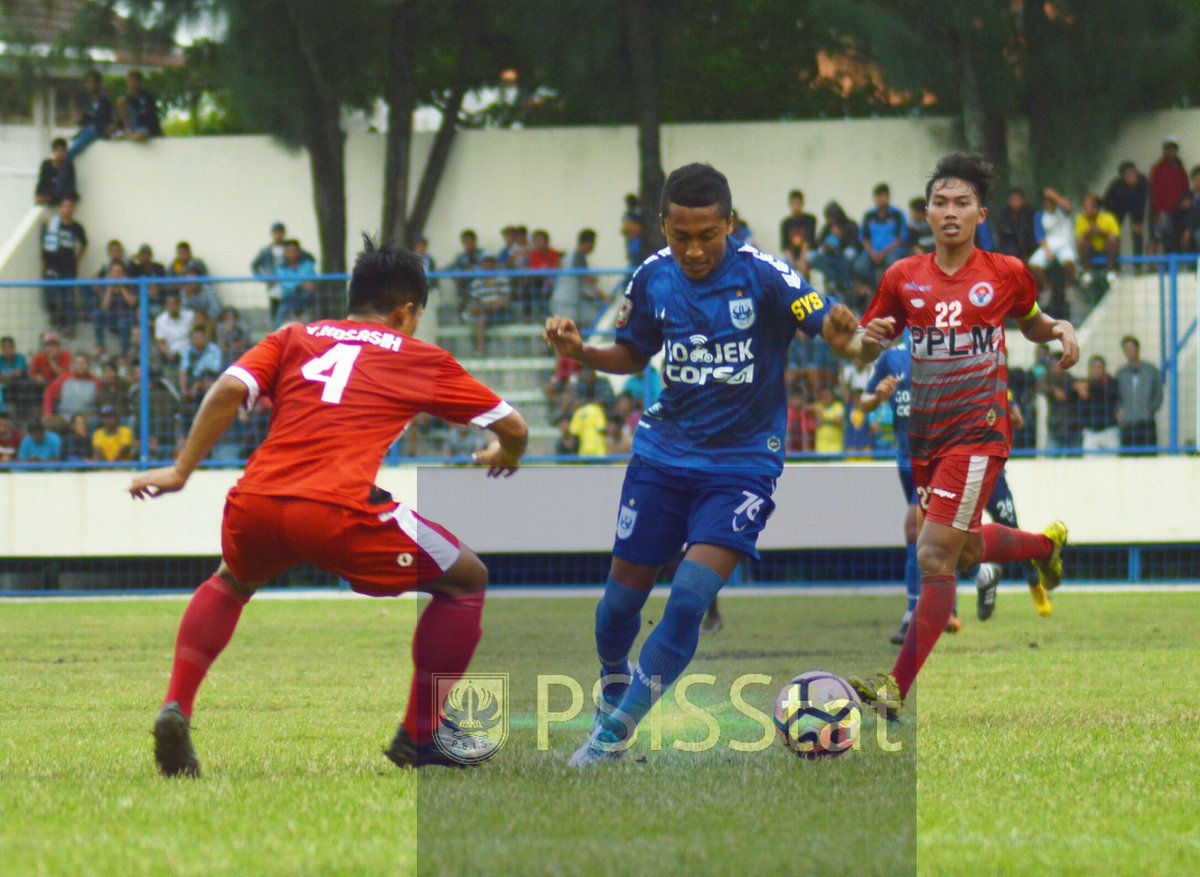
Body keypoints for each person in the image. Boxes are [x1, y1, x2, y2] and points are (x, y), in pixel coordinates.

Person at [131, 237, 529, 777]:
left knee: (230, 581)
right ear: (405, 312)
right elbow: (514, 426)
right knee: (465, 579)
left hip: (257, 504)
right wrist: (503, 453)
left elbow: (227, 389)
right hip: (338, 512)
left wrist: (181, 471)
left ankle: (177, 703)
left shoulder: (294, 337)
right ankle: (420, 735)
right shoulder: (417, 355)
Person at [543, 162, 883, 766]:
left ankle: (611, 737)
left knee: (689, 599)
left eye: (708, 235)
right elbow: (631, 351)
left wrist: (850, 339)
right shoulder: (651, 277)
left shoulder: (767, 276)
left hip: (743, 466)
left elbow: (842, 336)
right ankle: (613, 680)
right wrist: (581, 352)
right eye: (682, 236)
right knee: (618, 605)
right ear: (664, 229)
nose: (695, 250)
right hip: (661, 457)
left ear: (731, 224)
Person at [850, 152, 1079, 718]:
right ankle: (1045, 546)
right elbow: (862, 344)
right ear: (925, 213)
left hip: (980, 430)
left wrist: (1059, 329)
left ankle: (895, 687)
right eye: (940, 203)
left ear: (980, 212)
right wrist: (868, 337)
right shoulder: (902, 278)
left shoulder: (1005, 273)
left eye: (962, 203)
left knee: (933, 554)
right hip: (926, 439)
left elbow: (1031, 322)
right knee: (969, 545)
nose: (950, 212)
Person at [41, 198, 88, 334]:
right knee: (51, 296)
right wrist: (43, 266)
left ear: (74, 209)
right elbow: (45, 246)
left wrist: (77, 259)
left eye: (69, 206)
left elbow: (84, 244)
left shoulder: (77, 227)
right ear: (60, 208)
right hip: (52, 266)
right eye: (64, 206)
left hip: (69, 268)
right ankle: (56, 319)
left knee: (68, 298)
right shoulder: (51, 225)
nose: (66, 209)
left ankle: (69, 326)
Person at [1028, 188, 1077, 312]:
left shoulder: (1062, 211)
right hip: (1049, 244)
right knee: (1033, 264)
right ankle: (1046, 288)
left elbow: (1069, 207)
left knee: (1069, 261)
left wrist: (1055, 195)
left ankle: (1070, 286)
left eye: (1051, 201)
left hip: (1065, 243)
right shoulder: (1040, 215)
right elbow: (1040, 235)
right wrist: (1047, 250)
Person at [1115, 335, 1162, 452]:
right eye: (1126, 349)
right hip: (1128, 424)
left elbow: (1158, 394)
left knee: (1149, 457)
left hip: (1146, 423)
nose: (1130, 352)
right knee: (1128, 460)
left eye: (1132, 348)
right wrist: (1119, 412)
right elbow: (1116, 396)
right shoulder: (1120, 373)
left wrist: (1150, 410)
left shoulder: (1151, 370)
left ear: (1138, 349)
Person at [1148, 137, 1189, 255]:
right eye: (1169, 149)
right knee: (1156, 237)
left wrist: (1185, 201)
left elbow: (1185, 188)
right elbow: (1154, 191)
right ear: (1164, 151)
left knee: (1173, 240)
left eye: (1174, 149)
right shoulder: (1158, 168)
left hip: (1177, 211)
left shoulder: (1180, 168)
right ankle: (1151, 265)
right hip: (1161, 211)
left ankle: (1171, 266)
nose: (1171, 152)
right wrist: (1157, 212)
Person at [1103, 161, 1148, 260]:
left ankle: (1138, 264)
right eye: (1128, 175)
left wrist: (1138, 221)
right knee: (1115, 234)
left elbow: (1142, 202)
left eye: (1134, 174)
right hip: (1118, 206)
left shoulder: (1143, 182)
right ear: (1123, 177)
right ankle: (1115, 262)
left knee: (1137, 233)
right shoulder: (1116, 186)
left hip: (1136, 205)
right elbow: (1107, 203)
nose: (1132, 177)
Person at [1074, 194, 1121, 287]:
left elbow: (1117, 236)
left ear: (1096, 208)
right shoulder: (1081, 219)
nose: (1084, 209)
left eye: (1087, 206)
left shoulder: (1108, 218)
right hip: (1090, 251)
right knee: (1081, 241)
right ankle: (1087, 272)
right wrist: (1089, 232)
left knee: (1112, 239)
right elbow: (1078, 236)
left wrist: (1102, 233)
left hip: (1105, 249)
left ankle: (1110, 271)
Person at [1076, 354, 1119, 452]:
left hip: (1109, 431)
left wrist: (1085, 387)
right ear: (1089, 369)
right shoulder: (1083, 384)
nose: (1096, 370)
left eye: (1099, 367)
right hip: (1090, 432)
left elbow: (1103, 392)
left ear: (1104, 369)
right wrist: (1077, 386)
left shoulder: (1112, 384)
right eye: (1094, 367)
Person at [69, 70, 115, 158]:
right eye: (88, 83)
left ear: (98, 84)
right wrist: (83, 118)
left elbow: (102, 120)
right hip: (90, 128)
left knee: (71, 153)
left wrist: (87, 118)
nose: (90, 86)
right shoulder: (93, 100)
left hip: (96, 130)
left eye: (93, 83)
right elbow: (93, 118)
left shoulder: (104, 100)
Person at [250, 222, 288, 321]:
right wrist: (261, 277)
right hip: (272, 284)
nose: (278, 235)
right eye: (276, 233)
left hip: (288, 284)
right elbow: (255, 265)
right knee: (275, 308)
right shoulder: (266, 251)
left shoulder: (289, 248)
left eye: (280, 233)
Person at [115, 70, 163, 141]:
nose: (132, 84)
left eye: (134, 81)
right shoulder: (128, 100)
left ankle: (130, 136)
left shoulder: (148, 99)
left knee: (140, 135)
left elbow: (153, 119)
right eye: (130, 82)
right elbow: (121, 120)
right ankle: (129, 134)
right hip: (132, 129)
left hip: (145, 129)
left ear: (140, 82)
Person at [993, 187, 1038, 261]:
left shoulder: (1030, 214)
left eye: (1018, 200)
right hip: (1009, 248)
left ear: (1023, 201)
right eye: (1013, 200)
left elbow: (1031, 235)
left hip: (1028, 248)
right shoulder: (1003, 215)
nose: (1015, 202)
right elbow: (1003, 236)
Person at [34, 138, 79, 206]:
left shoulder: (67, 167)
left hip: (60, 199)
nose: (60, 153)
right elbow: (41, 183)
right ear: (53, 151)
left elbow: (69, 187)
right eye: (58, 151)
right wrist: (38, 196)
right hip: (47, 196)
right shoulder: (46, 165)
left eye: (62, 151)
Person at [779, 189, 817, 265]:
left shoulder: (810, 219)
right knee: (782, 262)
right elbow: (786, 246)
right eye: (794, 204)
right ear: (790, 205)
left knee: (809, 257)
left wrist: (802, 260)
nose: (796, 206)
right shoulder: (785, 223)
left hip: (808, 252)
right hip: (793, 254)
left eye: (798, 204)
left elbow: (808, 241)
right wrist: (791, 261)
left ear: (802, 204)